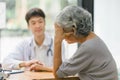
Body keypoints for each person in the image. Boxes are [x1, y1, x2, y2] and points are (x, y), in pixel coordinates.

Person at [53, 5, 118, 80]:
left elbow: (58, 73)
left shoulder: (88, 47)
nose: (60, 36)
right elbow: (65, 68)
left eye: (60, 31)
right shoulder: (93, 39)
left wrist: (57, 41)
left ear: (73, 30)